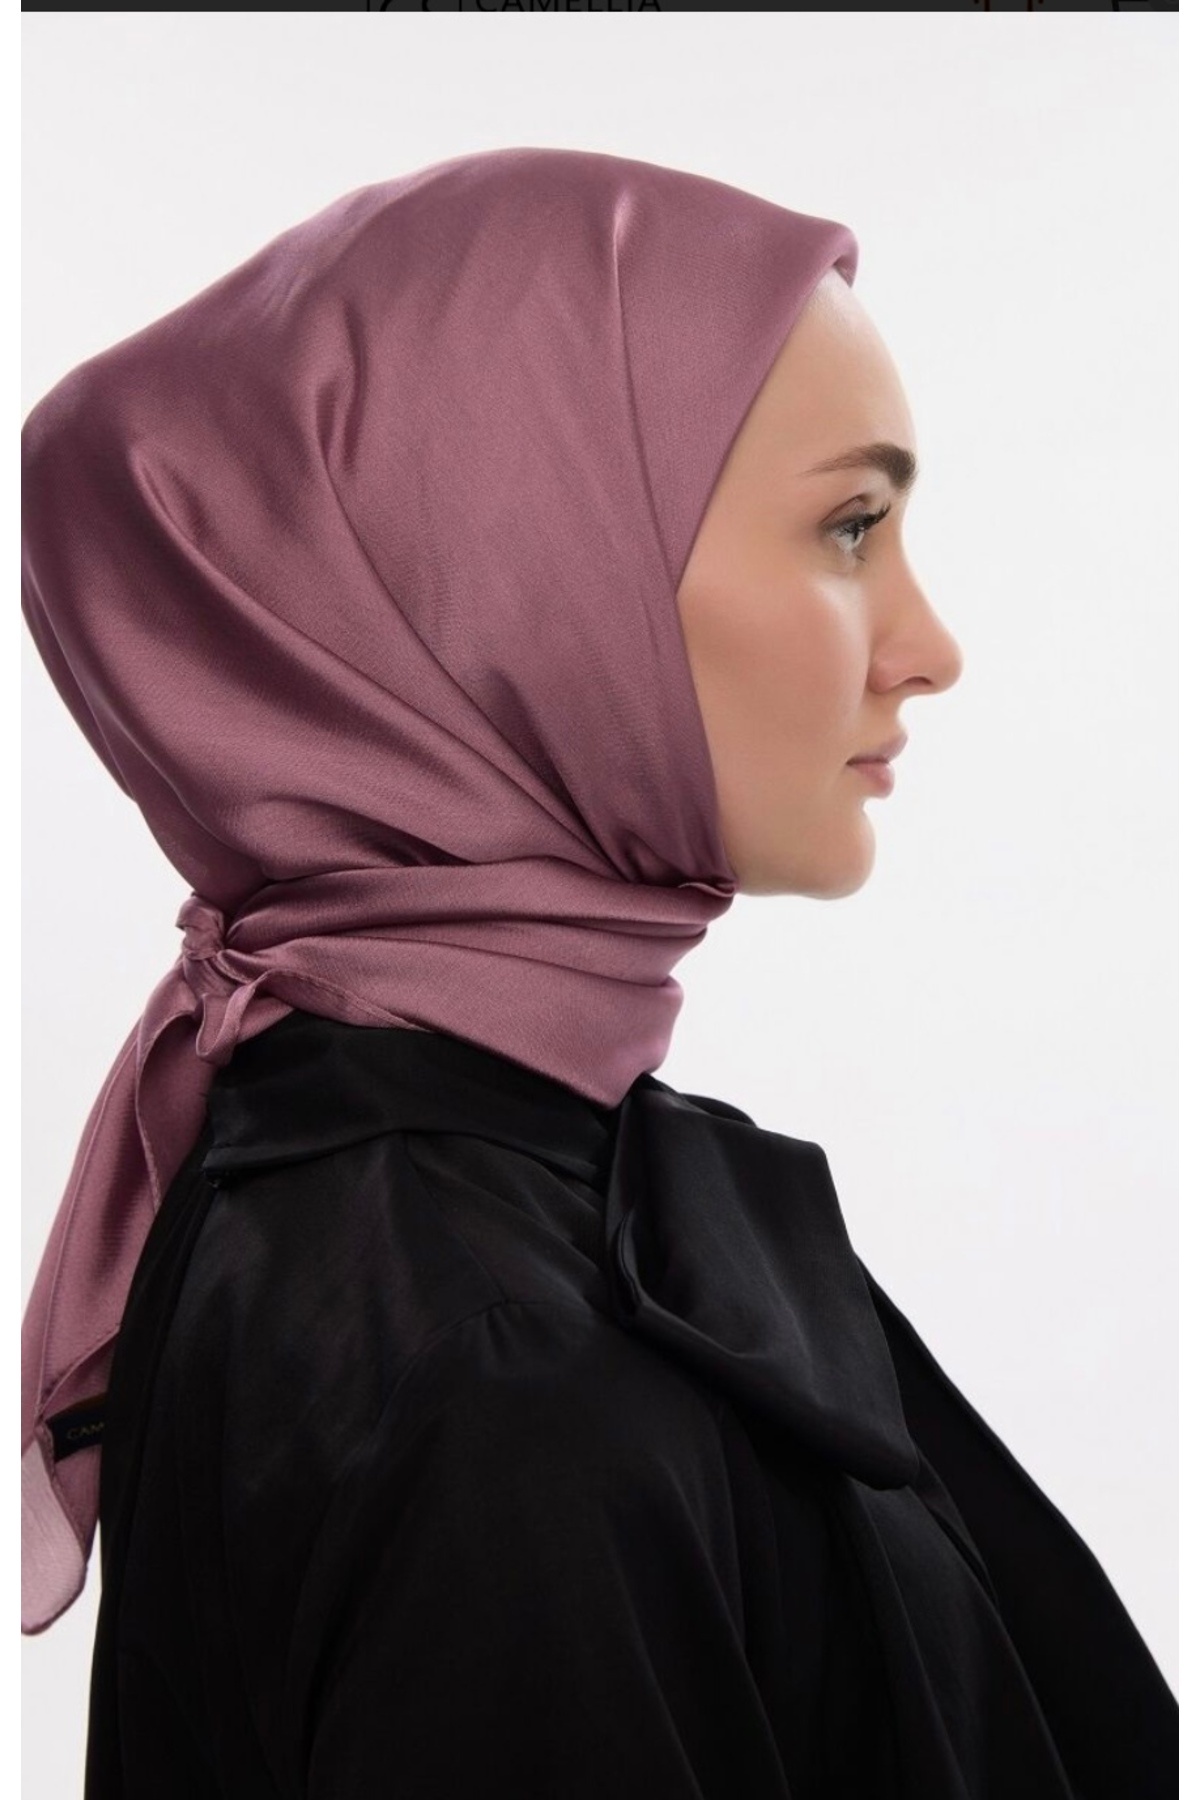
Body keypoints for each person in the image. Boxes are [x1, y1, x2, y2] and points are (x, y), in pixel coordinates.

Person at [21, 147, 1175, 1798]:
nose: (930, 646)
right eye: (850, 526)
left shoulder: (401, 1184)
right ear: (527, 584)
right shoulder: (496, 1381)